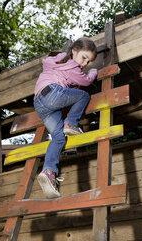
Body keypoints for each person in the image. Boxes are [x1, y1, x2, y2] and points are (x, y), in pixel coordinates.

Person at [33, 37, 97, 199]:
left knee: (58, 138)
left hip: (40, 102)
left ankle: (48, 171)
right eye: (84, 57)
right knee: (82, 95)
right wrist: (93, 71)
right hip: (53, 93)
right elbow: (85, 81)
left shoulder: (56, 61)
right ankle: (71, 123)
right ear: (74, 51)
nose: (84, 64)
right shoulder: (72, 65)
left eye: (88, 62)